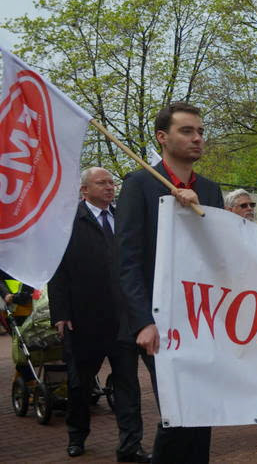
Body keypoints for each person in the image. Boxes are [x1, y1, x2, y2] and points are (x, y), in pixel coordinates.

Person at [116, 102, 224, 463]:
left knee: (201, 410)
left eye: (200, 132)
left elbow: (219, 252)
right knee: (177, 411)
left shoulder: (209, 190)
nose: (197, 138)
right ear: (162, 137)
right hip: (158, 322)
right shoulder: (138, 184)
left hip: (199, 320)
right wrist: (143, 321)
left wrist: (201, 214)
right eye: (187, 131)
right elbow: (127, 260)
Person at [49, 167, 150, 461]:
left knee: (128, 385)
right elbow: (57, 270)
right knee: (79, 385)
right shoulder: (69, 222)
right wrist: (60, 313)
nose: (109, 187)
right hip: (84, 320)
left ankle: (130, 445)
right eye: (101, 183)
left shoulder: (123, 218)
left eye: (111, 182)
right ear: (84, 190)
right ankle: (77, 435)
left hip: (123, 320)